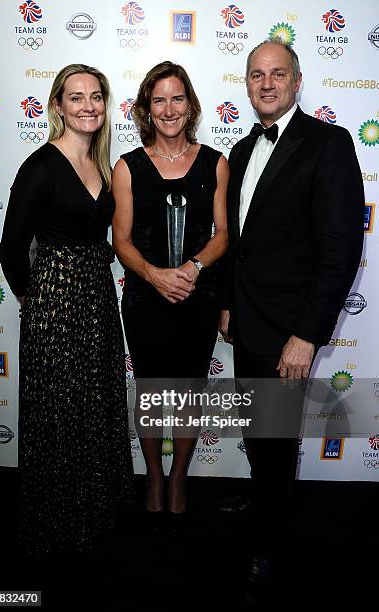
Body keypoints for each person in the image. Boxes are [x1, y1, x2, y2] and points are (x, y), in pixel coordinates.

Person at [219, 40, 364, 601]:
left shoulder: (328, 144)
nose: (267, 84)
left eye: (278, 74)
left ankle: (269, 542)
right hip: (248, 320)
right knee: (259, 434)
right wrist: (228, 301)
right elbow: (241, 244)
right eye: (257, 75)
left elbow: (339, 249)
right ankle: (264, 497)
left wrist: (306, 335)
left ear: (297, 81)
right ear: (248, 83)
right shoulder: (241, 145)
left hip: (290, 329)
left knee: (276, 437)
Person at [0, 64, 133, 555]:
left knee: (94, 405)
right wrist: (36, 303)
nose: (88, 106)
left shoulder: (102, 164)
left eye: (96, 96)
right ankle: (56, 520)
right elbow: (11, 250)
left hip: (97, 299)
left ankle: (96, 508)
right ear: (57, 106)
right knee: (59, 413)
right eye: (76, 97)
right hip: (55, 305)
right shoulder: (40, 166)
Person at [112, 61, 229, 519]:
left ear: (190, 104)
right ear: (146, 108)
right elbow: (120, 241)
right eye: (158, 99)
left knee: (187, 394)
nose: (168, 108)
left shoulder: (214, 162)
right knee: (150, 393)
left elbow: (222, 234)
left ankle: (178, 476)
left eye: (176, 98)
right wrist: (155, 274)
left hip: (197, 299)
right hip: (145, 299)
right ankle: (154, 476)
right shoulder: (129, 167)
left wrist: (193, 268)